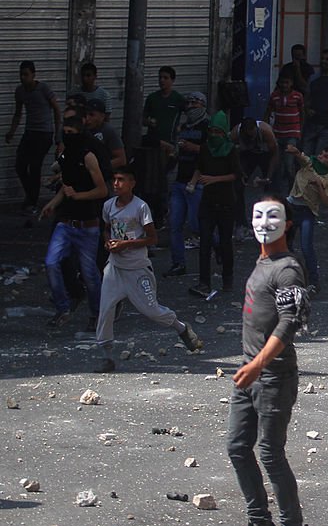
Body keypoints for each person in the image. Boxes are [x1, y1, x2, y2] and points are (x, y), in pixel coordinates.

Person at [225, 194, 314, 526]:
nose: (263, 222)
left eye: (272, 215)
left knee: (269, 453)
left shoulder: (288, 268)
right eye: (257, 214)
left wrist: (260, 363)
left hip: (273, 375)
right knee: (237, 447)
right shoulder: (262, 262)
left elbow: (291, 321)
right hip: (251, 372)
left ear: (287, 224)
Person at [95, 167, 202, 372]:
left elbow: (152, 238)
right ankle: (105, 356)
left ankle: (181, 328)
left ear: (132, 183)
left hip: (137, 269)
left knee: (152, 310)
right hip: (115, 268)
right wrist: (108, 242)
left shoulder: (140, 207)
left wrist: (126, 245)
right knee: (105, 310)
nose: (116, 184)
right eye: (114, 180)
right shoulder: (108, 205)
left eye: (121, 180)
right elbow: (107, 228)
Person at [39, 113, 107, 328]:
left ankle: (97, 314)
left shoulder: (88, 157)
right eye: (65, 133)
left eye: (71, 134)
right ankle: (63, 308)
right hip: (66, 223)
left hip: (87, 225)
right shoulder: (66, 157)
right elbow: (65, 187)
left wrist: (78, 195)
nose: (67, 137)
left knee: (89, 274)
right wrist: (52, 204)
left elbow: (102, 190)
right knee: (51, 262)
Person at [189, 111, 242, 298]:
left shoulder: (230, 150)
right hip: (208, 202)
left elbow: (236, 175)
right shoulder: (205, 149)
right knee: (204, 242)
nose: (214, 135)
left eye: (218, 132)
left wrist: (214, 179)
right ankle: (204, 282)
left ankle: (228, 278)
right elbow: (199, 168)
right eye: (211, 131)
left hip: (226, 201)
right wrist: (193, 183)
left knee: (226, 242)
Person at [7, 60, 62, 215]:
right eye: (21, 75)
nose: (23, 78)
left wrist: (58, 135)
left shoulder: (43, 89)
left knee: (35, 165)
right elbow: (18, 113)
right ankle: (30, 196)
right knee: (20, 165)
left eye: (26, 75)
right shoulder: (20, 91)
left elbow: (57, 110)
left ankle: (32, 202)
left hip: (44, 133)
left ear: (33, 75)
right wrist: (12, 131)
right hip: (30, 132)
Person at [164, 92, 209, 277]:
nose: (190, 106)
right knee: (175, 224)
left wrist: (196, 148)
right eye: (188, 103)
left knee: (196, 224)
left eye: (195, 103)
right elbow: (177, 149)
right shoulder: (182, 126)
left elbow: (214, 151)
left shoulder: (208, 125)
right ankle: (178, 263)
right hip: (180, 180)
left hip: (197, 182)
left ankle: (219, 246)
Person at [285, 144, 328, 294]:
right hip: (291, 207)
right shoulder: (308, 165)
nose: (320, 157)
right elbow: (301, 156)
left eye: (325, 156)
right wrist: (294, 150)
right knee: (284, 243)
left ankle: (313, 282)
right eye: (321, 154)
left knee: (306, 246)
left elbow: (327, 202)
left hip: (307, 211)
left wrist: (318, 186)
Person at [266, 75, 305, 187]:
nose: (284, 85)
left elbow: (302, 113)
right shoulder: (274, 96)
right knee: (277, 162)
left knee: (288, 163)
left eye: (287, 82)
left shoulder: (298, 96)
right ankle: (277, 187)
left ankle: (292, 188)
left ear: (291, 83)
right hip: (278, 133)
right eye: (282, 83)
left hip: (292, 133)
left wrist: (300, 130)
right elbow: (268, 112)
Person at [83, 98, 127, 170]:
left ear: (102, 116)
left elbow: (121, 160)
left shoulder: (108, 131)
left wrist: (98, 168)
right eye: (85, 114)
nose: (87, 118)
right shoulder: (81, 130)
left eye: (92, 115)